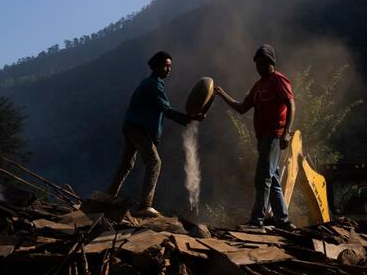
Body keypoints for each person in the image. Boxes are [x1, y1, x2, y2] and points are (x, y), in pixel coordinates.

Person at [108, 51, 202, 217]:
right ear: (157, 66)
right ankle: (145, 205)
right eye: (166, 66)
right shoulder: (153, 85)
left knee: (127, 163)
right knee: (154, 162)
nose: (168, 69)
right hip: (139, 129)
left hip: (131, 127)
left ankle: (109, 195)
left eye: (170, 67)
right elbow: (166, 109)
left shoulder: (151, 82)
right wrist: (189, 119)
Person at [215, 44, 296, 229]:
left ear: (270, 62)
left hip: (274, 135)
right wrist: (222, 95)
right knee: (273, 177)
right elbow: (242, 107)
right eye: (256, 64)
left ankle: (257, 220)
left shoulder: (279, 80)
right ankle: (283, 220)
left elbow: (291, 104)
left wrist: (286, 132)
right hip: (262, 138)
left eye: (261, 63)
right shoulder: (258, 86)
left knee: (262, 177)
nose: (258, 68)